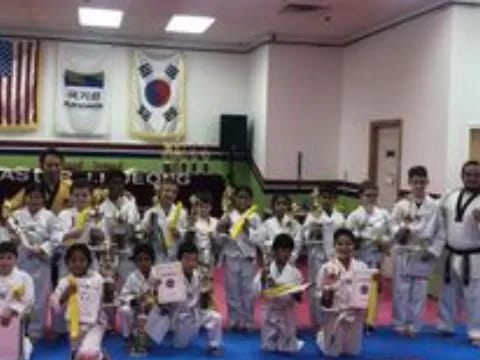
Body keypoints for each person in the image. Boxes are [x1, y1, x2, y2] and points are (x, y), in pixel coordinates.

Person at [145, 240, 223, 356]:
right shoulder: (170, 276)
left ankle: (214, 345)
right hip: (178, 316)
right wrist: (158, 289)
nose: (190, 263)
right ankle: (147, 340)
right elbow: (159, 301)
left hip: (195, 314)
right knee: (179, 346)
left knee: (216, 317)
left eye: (193, 259)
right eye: (186, 259)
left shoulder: (199, 275)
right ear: (179, 260)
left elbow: (205, 302)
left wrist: (208, 291)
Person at [390, 166, 443, 337]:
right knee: (401, 290)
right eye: (415, 182)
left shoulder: (434, 206)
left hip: (423, 251)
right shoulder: (400, 205)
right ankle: (399, 324)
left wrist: (433, 251)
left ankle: (414, 326)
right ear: (409, 183)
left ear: (427, 183)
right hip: (404, 250)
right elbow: (392, 226)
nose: (419, 186)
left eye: (422, 182)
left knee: (419, 292)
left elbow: (441, 231)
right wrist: (400, 231)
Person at [437, 160, 480, 346]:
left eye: (476, 175)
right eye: (468, 174)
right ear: (462, 176)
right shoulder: (451, 196)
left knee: (475, 295)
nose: (472, 178)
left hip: (474, 255)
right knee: (448, 291)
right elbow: (438, 216)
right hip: (451, 252)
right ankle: (446, 325)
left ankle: (476, 332)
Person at [11, 182, 61, 341]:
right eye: (31, 197)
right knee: (18, 295)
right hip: (21, 261)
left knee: (39, 298)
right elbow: (9, 238)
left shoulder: (50, 216)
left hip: (41, 263)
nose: (35, 200)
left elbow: (56, 238)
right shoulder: (16, 216)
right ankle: (17, 329)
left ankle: (35, 332)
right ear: (25, 198)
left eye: (38, 197)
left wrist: (43, 249)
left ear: (44, 199)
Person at [316, 228, 375, 357]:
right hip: (334, 316)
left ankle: (325, 336)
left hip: (355, 316)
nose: (344, 247)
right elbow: (319, 293)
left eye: (348, 244)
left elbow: (367, 292)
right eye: (340, 244)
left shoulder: (362, 267)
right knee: (331, 353)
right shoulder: (326, 268)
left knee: (353, 352)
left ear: (354, 246)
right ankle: (322, 337)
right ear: (334, 246)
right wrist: (326, 294)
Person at [346, 181, 391, 333]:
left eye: (374, 196)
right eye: (368, 195)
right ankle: (357, 320)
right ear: (360, 196)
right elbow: (348, 239)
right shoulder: (354, 216)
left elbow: (390, 235)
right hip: (359, 258)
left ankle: (370, 321)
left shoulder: (383, 214)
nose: (371, 199)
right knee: (358, 290)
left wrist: (384, 242)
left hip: (375, 258)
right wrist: (362, 236)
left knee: (373, 290)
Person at [216, 185, 262, 332]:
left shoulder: (254, 217)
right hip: (232, 256)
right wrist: (222, 229)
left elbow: (260, 239)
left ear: (251, 201)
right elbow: (219, 239)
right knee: (232, 289)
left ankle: (248, 320)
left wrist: (248, 228)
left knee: (248, 290)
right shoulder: (228, 215)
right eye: (240, 197)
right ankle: (234, 320)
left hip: (248, 258)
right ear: (234, 199)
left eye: (246, 198)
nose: (243, 200)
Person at [51, 243, 107, 360]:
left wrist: (109, 289)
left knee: (88, 354)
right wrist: (65, 295)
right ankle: (100, 353)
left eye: (82, 260)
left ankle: (100, 355)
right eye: (74, 260)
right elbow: (55, 307)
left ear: (88, 262)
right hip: (74, 325)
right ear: (67, 263)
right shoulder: (65, 282)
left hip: (95, 324)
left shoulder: (97, 279)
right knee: (78, 354)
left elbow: (106, 300)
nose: (78, 264)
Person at [301, 186, 345, 329]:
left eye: (330, 198)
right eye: (324, 197)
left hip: (335, 256)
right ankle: (317, 322)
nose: (327, 200)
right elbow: (304, 236)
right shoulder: (313, 215)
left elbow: (344, 236)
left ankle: (333, 320)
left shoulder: (340, 217)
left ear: (335, 200)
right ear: (319, 199)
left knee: (335, 287)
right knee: (317, 288)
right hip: (317, 256)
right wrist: (314, 232)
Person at [253, 233, 304, 353]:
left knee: (287, 350)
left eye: (289, 251)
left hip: (287, 315)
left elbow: (299, 299)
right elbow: (256, 293)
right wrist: (263, 278)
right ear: (274, 251)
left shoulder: (295, 273)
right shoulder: (266, 271)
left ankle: (295, 340)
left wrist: (292, 291)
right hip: (269, 314)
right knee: (268, 348)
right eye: (282, 250)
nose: (286, 254)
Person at [98, 170, 139, 286]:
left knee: (127, 289)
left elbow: (137, 228)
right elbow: (101, 235)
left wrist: (135, 234)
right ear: (107, 185)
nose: (118, 186)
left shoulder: (131, 205)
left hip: (128, 254)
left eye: (121, 183)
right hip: (109, 256)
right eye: (114, 183)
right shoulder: (101, 208)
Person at [3, 148, 71, 216]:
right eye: (49, 165)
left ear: (62, 166)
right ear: (41, 166)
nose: (53, 169)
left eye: (57, 165)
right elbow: (10, 206)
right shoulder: (31, 187)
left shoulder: (69, 188)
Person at [0, 241, 35, 359]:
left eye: (9, 258)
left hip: (15, 324)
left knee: (16, 353)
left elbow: (29, 302)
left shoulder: (24, 278)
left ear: (16, 259)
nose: (4, 262)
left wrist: (13, 311)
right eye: (1, 258)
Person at [141, 177, 187, 262]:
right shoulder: (150, 213)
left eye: (174, 192)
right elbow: (143, 235)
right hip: (156, 258)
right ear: (159, 192)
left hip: (175, 258)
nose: (170, 194)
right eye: (166, 191)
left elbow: (186, 237)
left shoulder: (182, 213)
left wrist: (179, 234)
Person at [119, 243, 156, 340]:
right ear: (135, 262)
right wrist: (136, 300)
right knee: (125, 310)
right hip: (138, 309)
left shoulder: (158, 274)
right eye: (140, 260)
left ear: (152, 261)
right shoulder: (132, 277)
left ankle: (153, 334)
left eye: (147, 259)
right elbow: (123, 296)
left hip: (154, 307)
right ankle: (128, 335)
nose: (143, 263)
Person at [259, 194, 302, 264]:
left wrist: (289, 260)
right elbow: (262, 243)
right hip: (271, 261)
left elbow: (297, 245)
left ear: (288, 206)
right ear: (273, 206)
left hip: (289, 262)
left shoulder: (295, 224)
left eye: (284, 204)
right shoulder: (266, 224)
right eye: (278, 203)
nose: (281, 206)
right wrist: (274, 249)